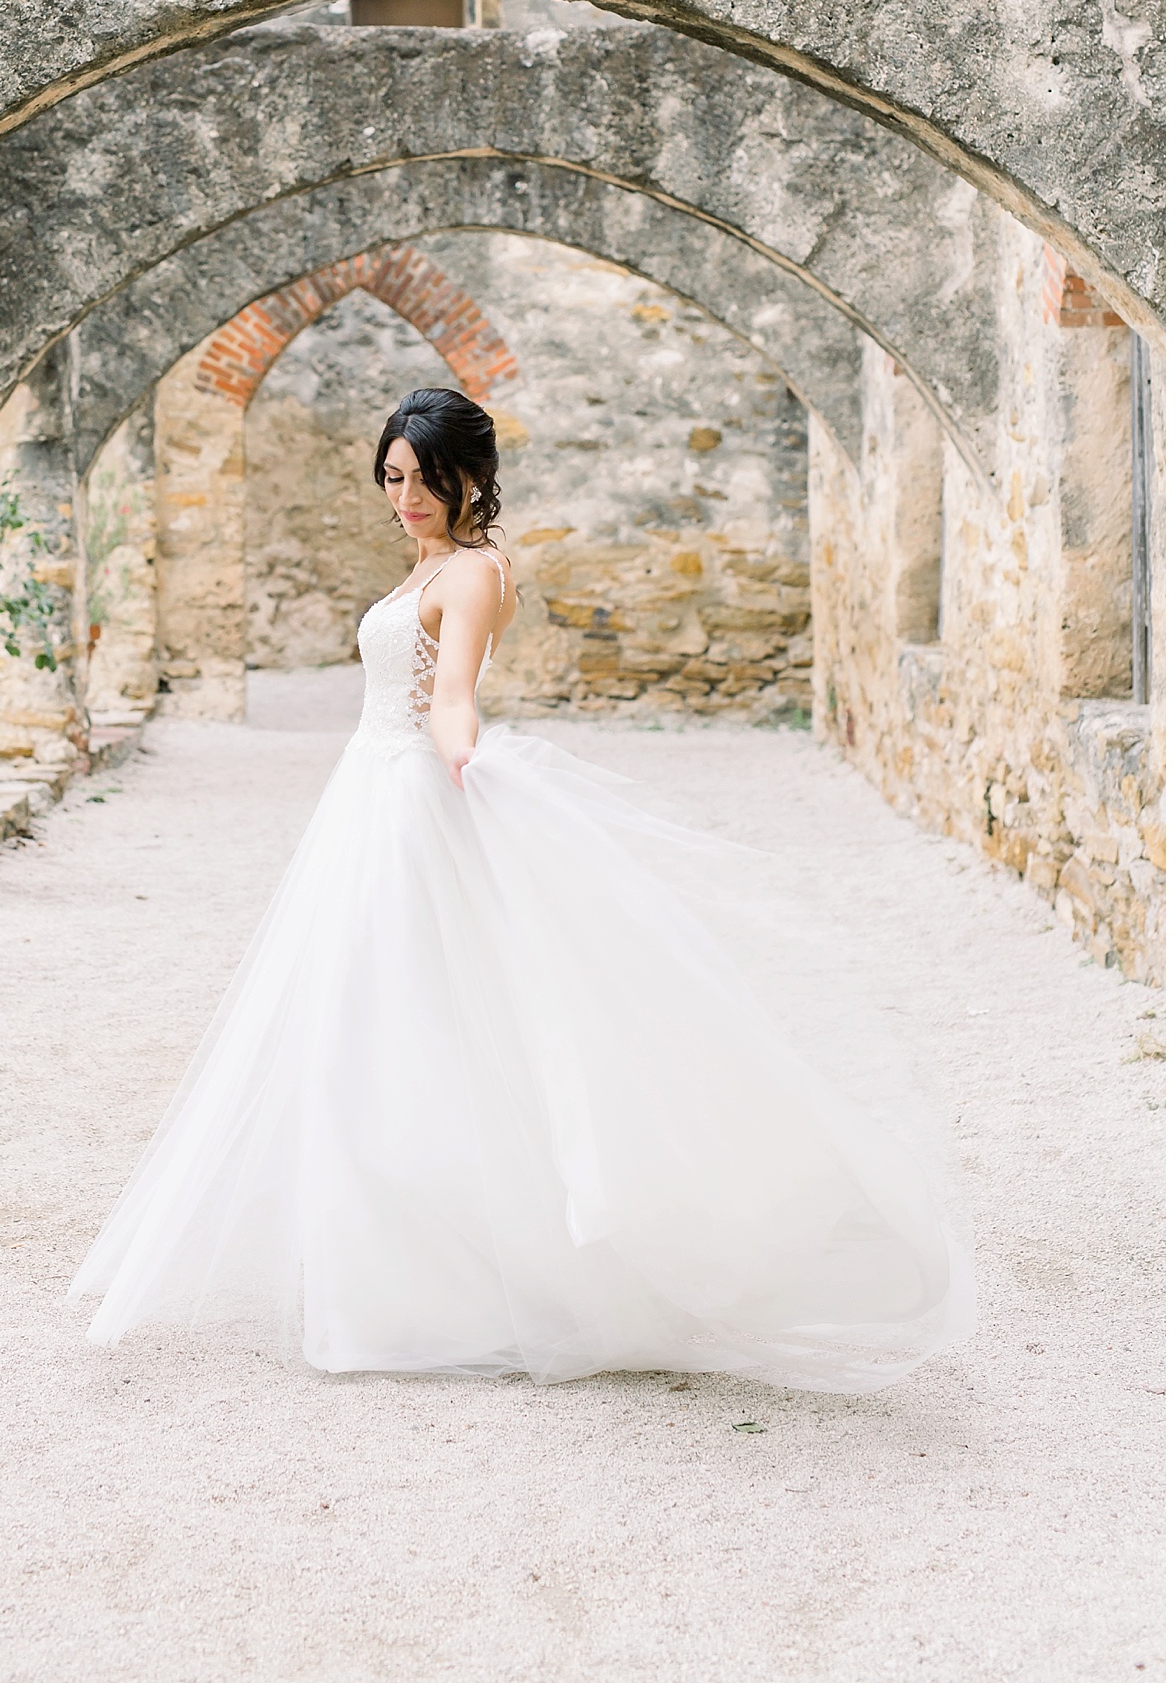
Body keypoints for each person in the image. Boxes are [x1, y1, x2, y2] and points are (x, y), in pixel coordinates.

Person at [71, 388, 973, 1388]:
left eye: (422, 478)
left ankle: (441, 1285)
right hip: (363, 800)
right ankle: (376, 1273)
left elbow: (451, 696)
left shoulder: (474, 572)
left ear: (469, 477)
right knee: (353, 1029)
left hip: (412, 796)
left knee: (414, 1031)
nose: (404, 497)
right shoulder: (426, 563)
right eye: (392, 479)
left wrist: (468, 764)